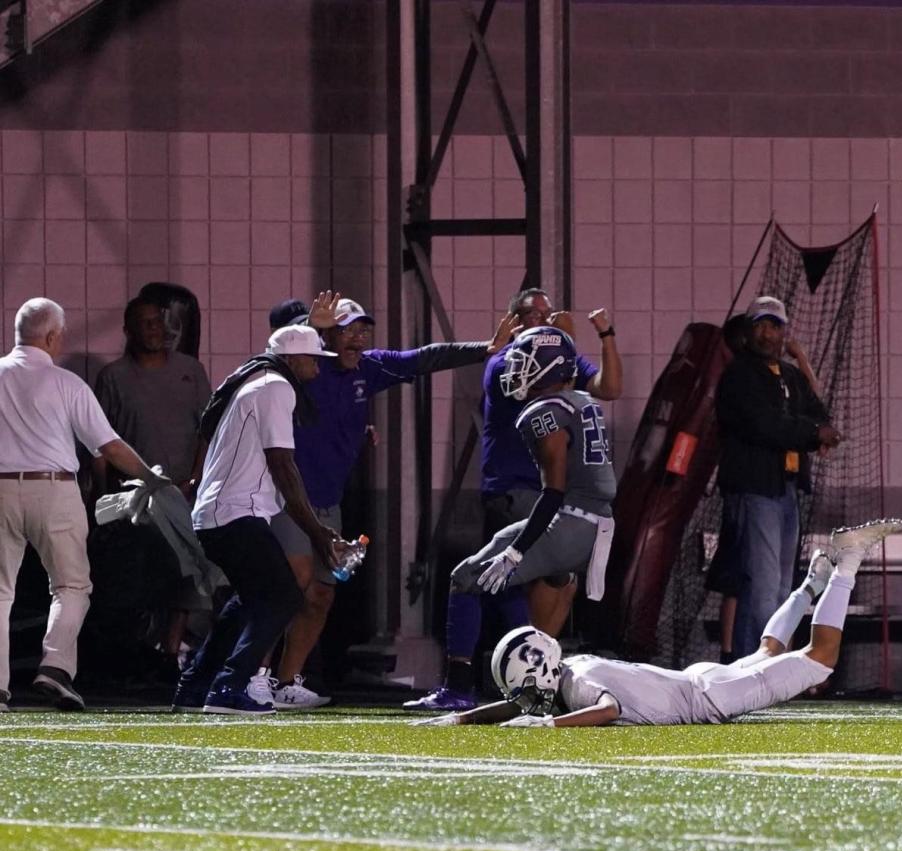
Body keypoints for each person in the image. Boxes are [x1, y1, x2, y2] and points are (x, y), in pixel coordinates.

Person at [251, 294, 516, 710]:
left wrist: (484, 349)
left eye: (362, 330)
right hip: (285, 498)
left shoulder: (369, 369)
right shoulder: (301, 370)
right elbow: (271, 362)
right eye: (347, 329)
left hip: (328, 501)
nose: (358, 338)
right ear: (325, 336)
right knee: (290, 584)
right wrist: (312, 329)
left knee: (321, 595)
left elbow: (422, 358)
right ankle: (254, 676)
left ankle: (286, 682)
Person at [418, 517, 902, 727]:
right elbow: (526, 701)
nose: (523, 701)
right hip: (697, 684)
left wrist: (550, 726)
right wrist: (465, 717)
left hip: (709, 697)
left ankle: (847, 563)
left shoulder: (581, 684)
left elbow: (606, 710)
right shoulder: (572, 668)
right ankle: (814, 579)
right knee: (767, 652)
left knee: (820, 658)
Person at [404, 324, 617, 712]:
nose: (514, 368)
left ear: (548, 368)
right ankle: (534, 684)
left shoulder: (543, 412)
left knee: (466, 578)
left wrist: (518, 551)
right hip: (591, 523)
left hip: (568, 522)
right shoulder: (581, 401)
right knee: (525, 581)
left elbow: (552, 493)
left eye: (524, 361)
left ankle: (460, 688)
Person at [0, 298, 167, 712]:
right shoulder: (67, 384)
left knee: (0, 592)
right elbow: (108, 445)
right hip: (54, 490)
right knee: (72, 585)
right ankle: (55, 667)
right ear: (53, 335)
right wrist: (150, 478)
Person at [171, 324, 342, 715]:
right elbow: (282, 463)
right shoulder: (275, 386)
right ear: (294, 359)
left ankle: (196, 683)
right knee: (282, 595)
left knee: (251, 599)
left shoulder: (257, 382)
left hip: (220, 511)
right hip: (234, 511)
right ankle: (230, 685)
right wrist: (315, 533)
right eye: (314, 359)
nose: (318, 368)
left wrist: (314, 527)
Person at [482, 288, 622, 636]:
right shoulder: (507, 363)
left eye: (549, 315)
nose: (545, 322)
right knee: (541, 572)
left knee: (565, 580)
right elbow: (537, 388)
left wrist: (605, 335)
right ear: (515, 321)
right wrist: (566, 339)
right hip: (517, 487)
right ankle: (523, 657)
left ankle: (540, 654)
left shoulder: (558, 360)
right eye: (535, 316)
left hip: (555, 490)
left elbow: (610, 387)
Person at [715, 296, 841, 659]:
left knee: (781, 587)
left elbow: (819, 415)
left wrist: (818, 430)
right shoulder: (740, 375)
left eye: (774, 325)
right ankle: (758, 667)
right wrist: (813, 433)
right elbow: (765, 424)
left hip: (784, 489)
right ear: (749, 330)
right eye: (761, 325)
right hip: (754, 488)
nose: (768, 333)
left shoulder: (789, 376)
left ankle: (758, 665)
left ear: (785, 331)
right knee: (763, 586)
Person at [93, 296, 212, 665]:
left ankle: (170, 653)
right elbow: (99, 443)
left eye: (158, 322)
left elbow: (207, 431)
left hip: (183, 492)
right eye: (144, 323)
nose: (154, 330)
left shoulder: (190, 371)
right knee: (134, 579)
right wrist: (99, 497)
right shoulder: (113, 377)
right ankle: (132, 655)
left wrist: (197, 478)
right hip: (133, 499)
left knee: (187, 574)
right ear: (129, 331)